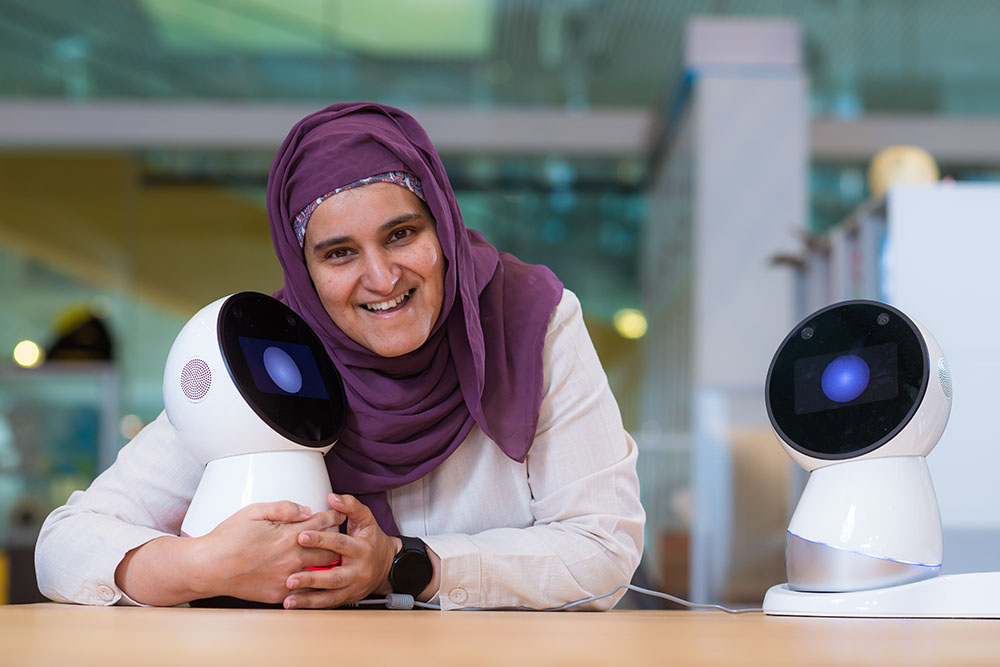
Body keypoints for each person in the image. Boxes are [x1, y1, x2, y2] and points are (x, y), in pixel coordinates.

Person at [35, 102, 645, 610]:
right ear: (304, 273)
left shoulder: (531, 321)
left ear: (444, 226)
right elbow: (65, 544)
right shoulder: (267, 355)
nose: (381, 278)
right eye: (338, 253)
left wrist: (404, 565)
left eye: (402, 234)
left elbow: (604, 548)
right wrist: (200, 565)